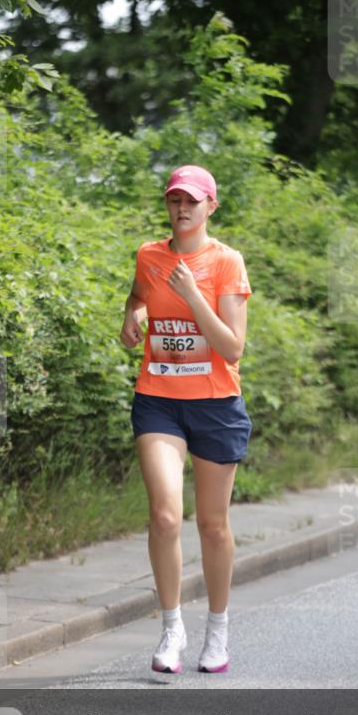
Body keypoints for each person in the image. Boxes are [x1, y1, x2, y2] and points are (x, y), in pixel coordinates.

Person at [120, 164, 253, 675]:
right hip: (159, 400)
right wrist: (131, 314)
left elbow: (232, 345)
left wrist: (193, 293)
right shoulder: (149, 256)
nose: (182, 209)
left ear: (210, 207)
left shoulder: (226, 262)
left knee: (213, 525)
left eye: (192, 202)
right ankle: (172, 627)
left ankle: (217, 631)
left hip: (216, 405)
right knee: (165, 515)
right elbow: (138, 294)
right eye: (175, 200)